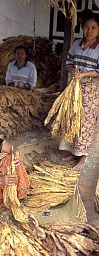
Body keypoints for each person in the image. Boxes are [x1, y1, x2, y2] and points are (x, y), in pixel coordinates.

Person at [59, 12, 99, 171]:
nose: (89, 31)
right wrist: (73, 70)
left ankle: (84, 157)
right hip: (75, 87)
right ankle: (73, 152)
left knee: (87, 123)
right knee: (74, 118)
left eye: (93, 28)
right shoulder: (76, 44)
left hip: (91, 90)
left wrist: (84, 74)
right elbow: (68, 62)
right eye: (86, 27)